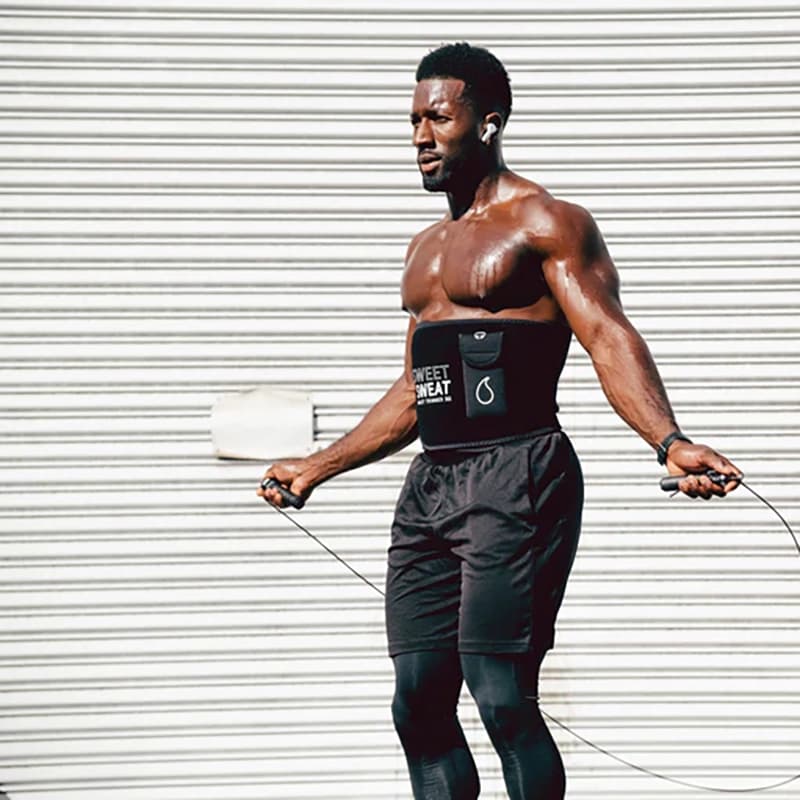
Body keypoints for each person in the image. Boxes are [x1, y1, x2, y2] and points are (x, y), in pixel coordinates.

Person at [257, 42, 741, 800]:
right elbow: (419, 390)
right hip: (434, 485)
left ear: (489, 123)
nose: (419, 134)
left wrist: (669, 441)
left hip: (520, 471)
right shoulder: (423, 253)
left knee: (499, 693)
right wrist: (318, 465)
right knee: (416, 699)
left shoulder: (547, 221)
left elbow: (608, 335)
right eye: (411, 119)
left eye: (438, 118)